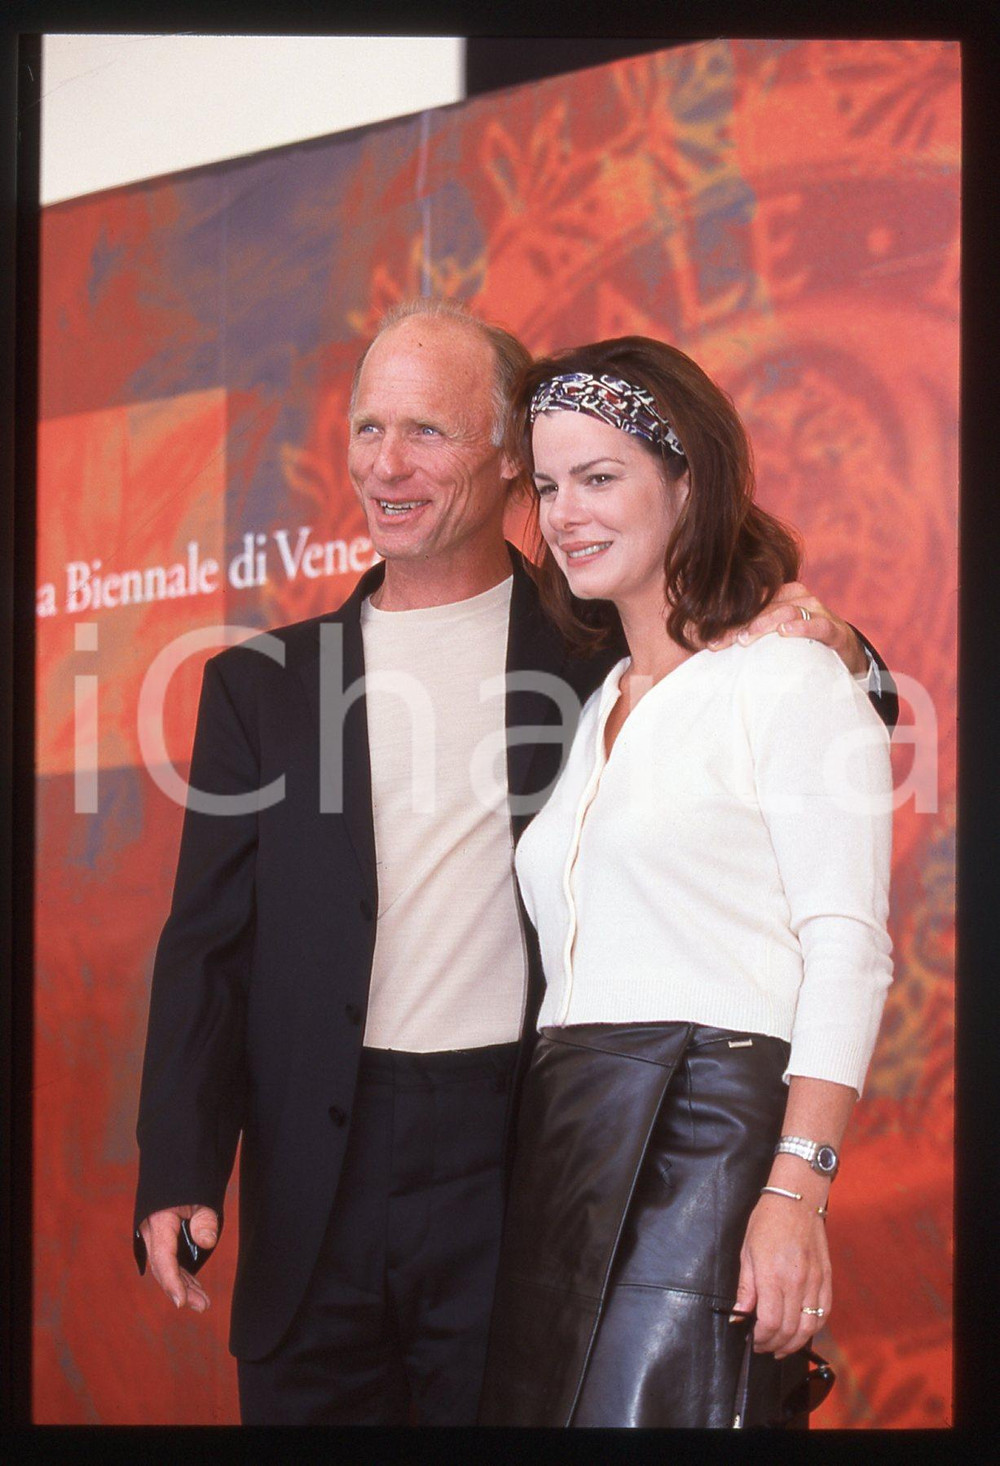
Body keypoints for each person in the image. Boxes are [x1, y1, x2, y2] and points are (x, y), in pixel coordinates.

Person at [132, 299, 896, 1426]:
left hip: (519, 1155)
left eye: (427, 432)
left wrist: (840, 641)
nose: (386, 464)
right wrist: (179, 1164)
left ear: (500, 464)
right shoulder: (264, 685)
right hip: (323, 1170)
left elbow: (804, 706)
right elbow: (207, 948)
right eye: (365, 428)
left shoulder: (593, 643)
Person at [477, 339, 894, 1428]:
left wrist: (795, 1188)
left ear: (690, 482)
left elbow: (847, 946)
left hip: (706, 1132)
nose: (564, 511)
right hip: (563, 1139)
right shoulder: (598, 695)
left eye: (600, 476)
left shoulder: (789, 674)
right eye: (550, 483)